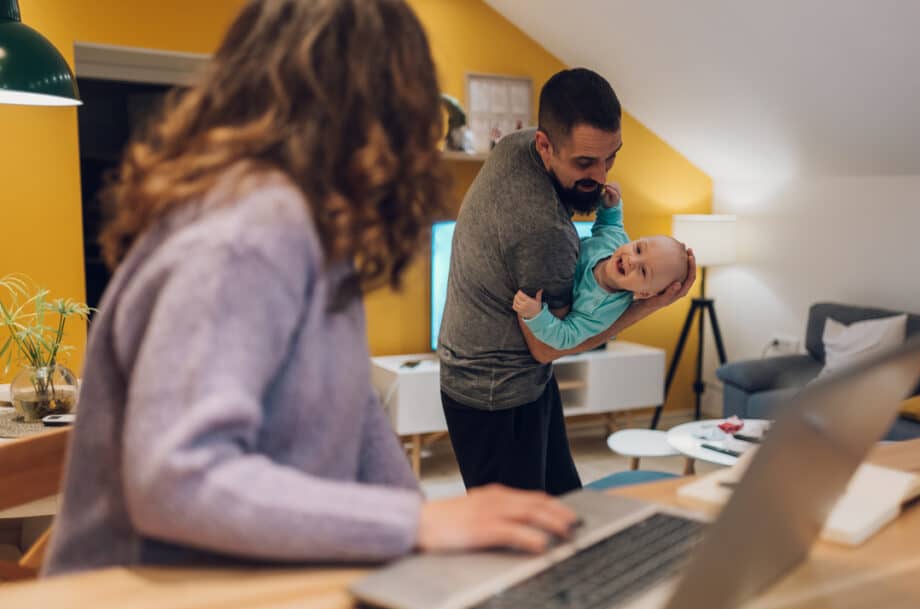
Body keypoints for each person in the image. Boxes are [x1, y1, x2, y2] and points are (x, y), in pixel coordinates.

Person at [43, 0, 578, 577]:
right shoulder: (247, 230)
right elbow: (177, 476)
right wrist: (414, 525)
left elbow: (357, 416)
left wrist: (425, 541)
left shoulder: (314, 229)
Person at [438, 68, 696, 494]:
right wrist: (648, 305)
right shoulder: (548, 237)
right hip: (493, 392)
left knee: (566, 504)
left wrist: (610, 209)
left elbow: (607, 224)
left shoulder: (513, 146)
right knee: (519, 536)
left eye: (610, 156)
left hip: (512, 378)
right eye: (584, 163)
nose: (600, 174)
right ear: (545, 143)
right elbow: (546, 346)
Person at [512, 183, 690, 350]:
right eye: (638, 248)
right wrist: (611, 205)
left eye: (643, 271)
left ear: (644, 293)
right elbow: (611, 223)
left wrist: (536, 315)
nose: (632, 261)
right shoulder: (615, 240)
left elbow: (567, 336)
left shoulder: (604, 310)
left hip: (528, 292)